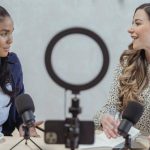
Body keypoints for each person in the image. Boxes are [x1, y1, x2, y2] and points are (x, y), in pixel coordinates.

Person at [94, 3, 150, 139]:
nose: (130, 29)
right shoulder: (128, 62)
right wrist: (105, 118)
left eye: (137, 23)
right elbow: (111, 106)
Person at [0, 6, 42, 136]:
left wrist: (23, 125)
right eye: (3, 34)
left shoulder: (13, 63)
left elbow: (18, 105)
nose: (10, 40)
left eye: (11, 33)